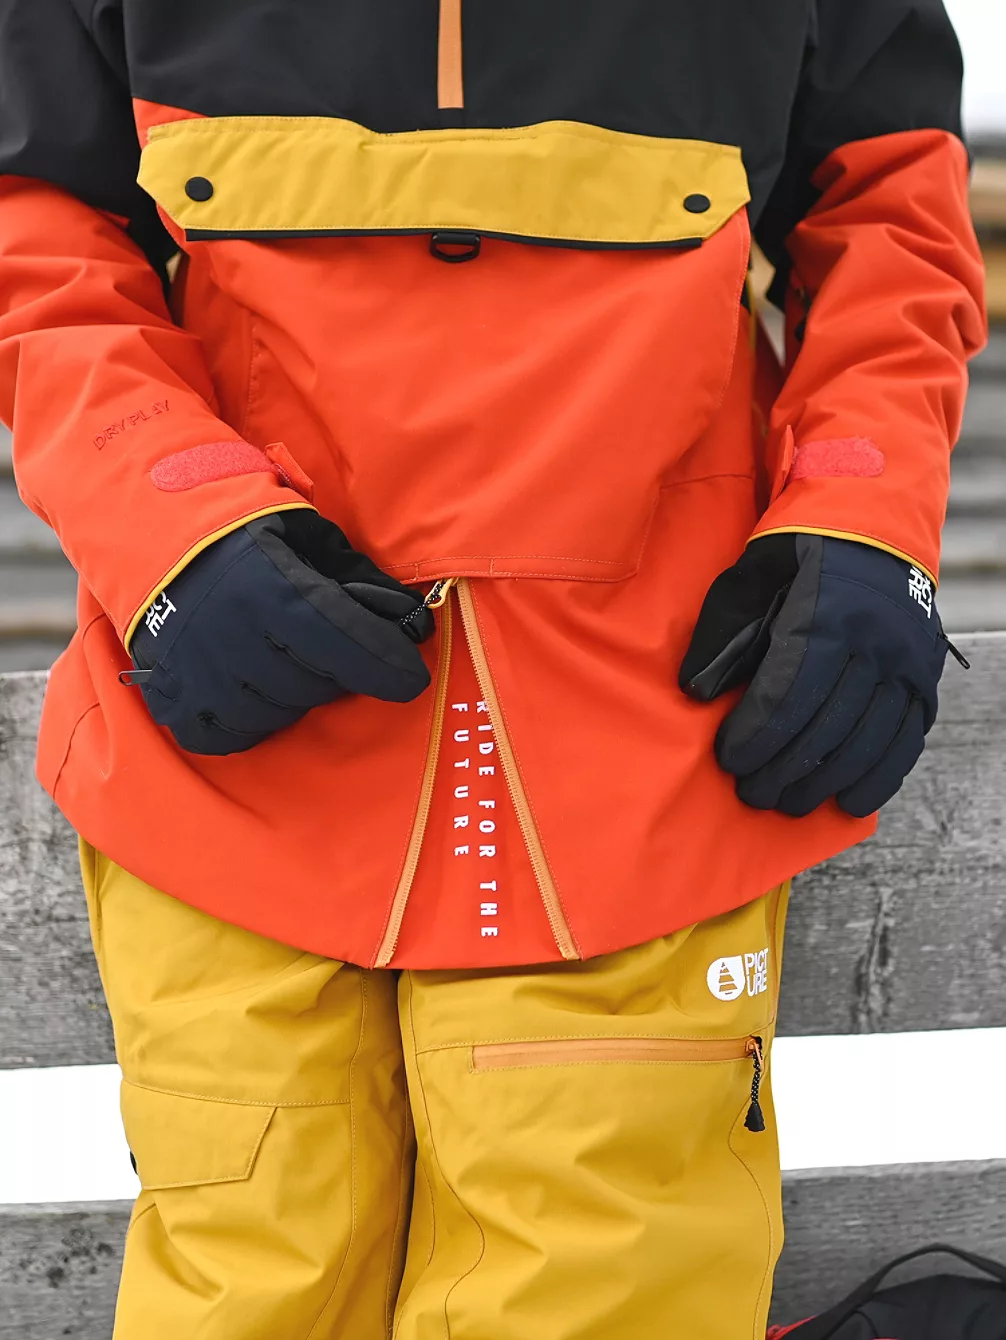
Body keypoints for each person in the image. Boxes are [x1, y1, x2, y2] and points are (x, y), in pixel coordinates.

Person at [0, 1, 986, 1336]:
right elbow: (37, 225)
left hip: (643, 742)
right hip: (240, 733)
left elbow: (890, 212)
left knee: (595, 1280)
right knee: (255, 1273)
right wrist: (169, 520)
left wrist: (863, 516)